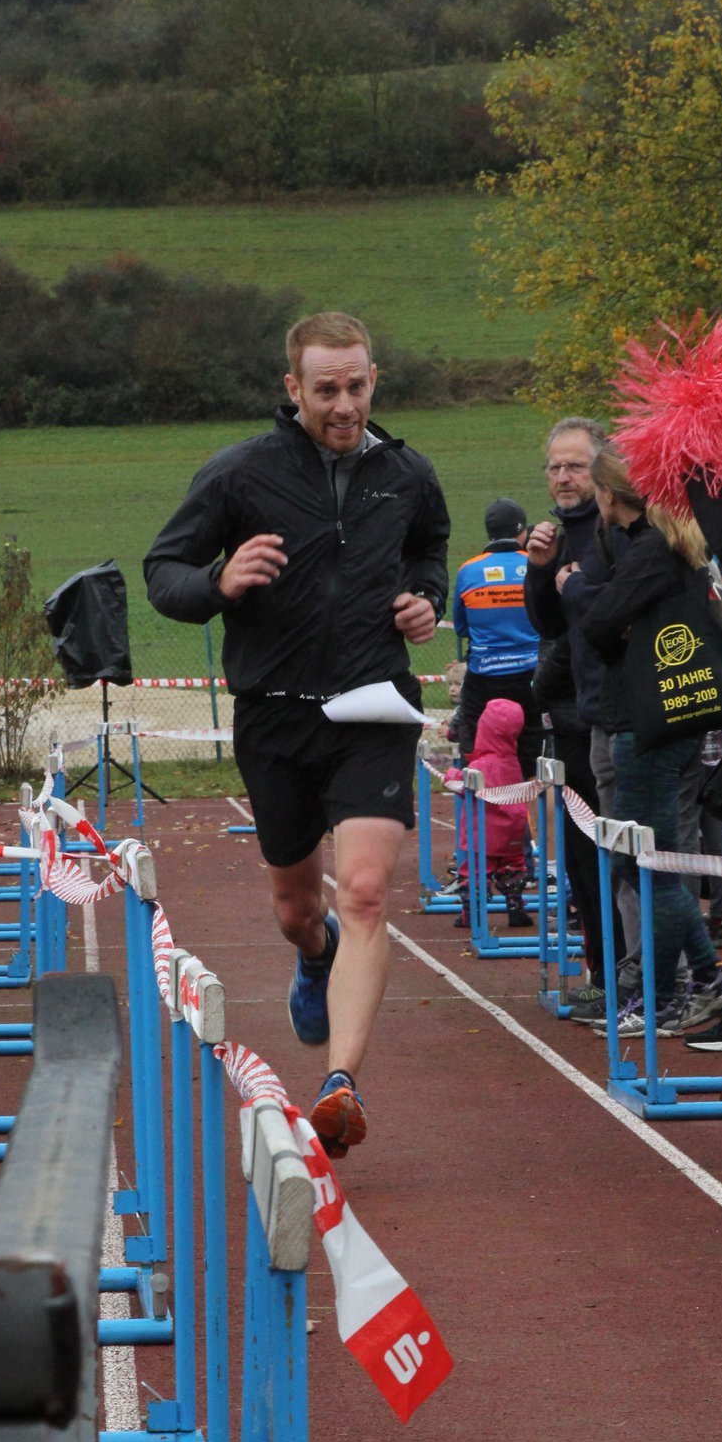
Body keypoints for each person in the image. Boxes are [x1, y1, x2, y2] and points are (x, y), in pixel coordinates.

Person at [143, 310, 450, 1155]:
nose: (343, 405)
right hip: (276, 712)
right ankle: (314, 957)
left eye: (356, 386)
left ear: (373, 380)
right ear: (293, 388)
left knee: (365, 891)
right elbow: (163, 572)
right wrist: (219, 580)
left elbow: (429, 550)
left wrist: (427, 600)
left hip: (373, 706)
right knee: (296, 909)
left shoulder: (408, 474)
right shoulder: (241, 473)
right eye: (326, 390)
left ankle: (340, 1084)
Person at [576, 450, 722, 1039]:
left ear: (608, 495)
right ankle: (705, 973)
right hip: (675, 716)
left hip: (648, 724)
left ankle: (662, 995)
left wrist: (617, 632)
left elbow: (597, 623)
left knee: (651, 864)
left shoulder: (650, 548)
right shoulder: (671, 542)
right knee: (651, 860)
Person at [521, 419, 624, 1016]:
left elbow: (593, 627)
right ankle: (604, 974)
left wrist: (545, 681)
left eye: (575, 466)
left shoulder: (615, 532)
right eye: (555, 467)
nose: (563, 477)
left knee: (619, 855)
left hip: (609, 714)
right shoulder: (559, 535)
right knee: (584, 859)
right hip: (571, 717)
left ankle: (630, 979)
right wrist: (540, 569)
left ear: (600, 470)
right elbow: (548, 624)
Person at [451, 500, 540, 773]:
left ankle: (477, 797)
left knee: (475, 749)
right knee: (533, 753)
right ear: (522, 532)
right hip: (532, 674)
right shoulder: (536, 564)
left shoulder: (468, 570)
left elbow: (461, 628)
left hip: (484, 675)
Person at [452, 697, 533, 932]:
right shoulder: (513, 761)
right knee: (513, 867)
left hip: (483, 831)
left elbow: (464, 787)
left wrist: (450, 775)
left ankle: (471, 912)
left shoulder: (482, 764)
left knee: (475, 871)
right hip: (513, 829)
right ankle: (515, 907)